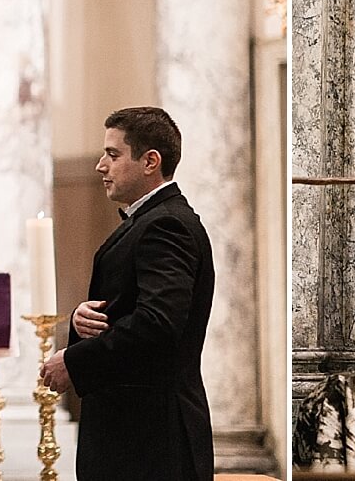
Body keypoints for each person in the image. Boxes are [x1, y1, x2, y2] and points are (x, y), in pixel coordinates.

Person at [41, 106, 215, 481]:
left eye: (113, 154)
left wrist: (75, 361)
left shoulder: (167, 225)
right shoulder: (148, 221)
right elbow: (134, 309)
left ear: (151, 161)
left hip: (151, 442)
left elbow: (158, 324)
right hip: (134, 436)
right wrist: (81, 317)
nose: (100, 166)